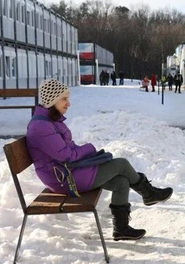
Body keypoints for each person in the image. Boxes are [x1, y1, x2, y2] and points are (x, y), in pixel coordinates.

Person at [26, 79, 174, 241]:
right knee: (121, 164)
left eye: (68, 98)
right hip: (63, 179)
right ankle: (149, 194)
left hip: (66, 172)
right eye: (64, 99)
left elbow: (67, 151)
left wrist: (89, 154)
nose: (68, 103)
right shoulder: (41, 127)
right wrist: (89, 149)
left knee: (121, 182)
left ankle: (121, 229)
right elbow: (66, 155)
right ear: (52, 101)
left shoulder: (49, 122)